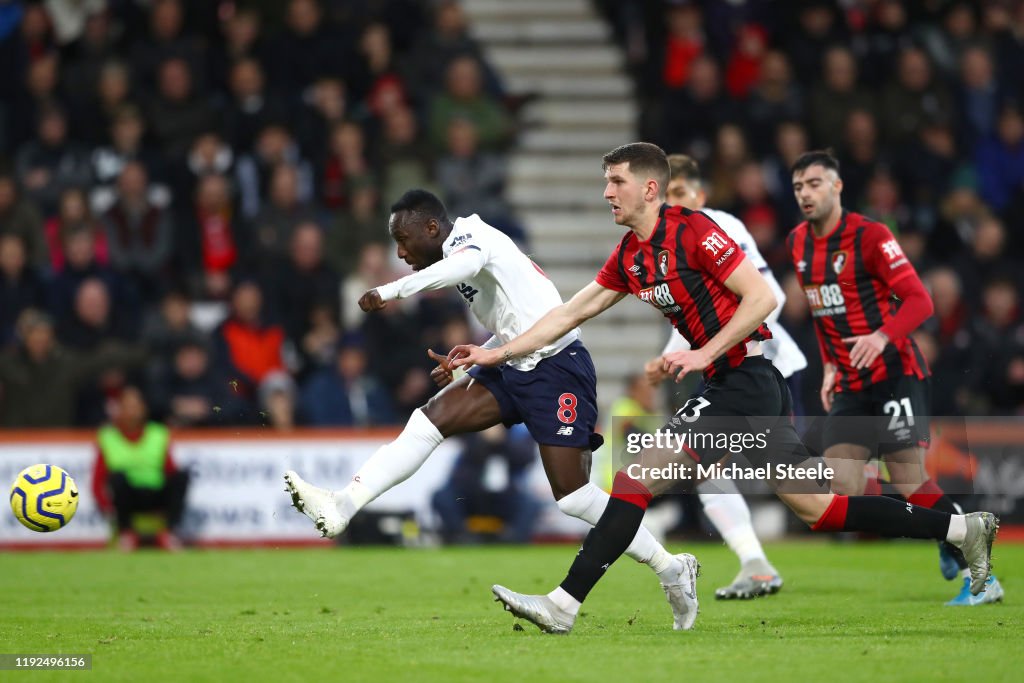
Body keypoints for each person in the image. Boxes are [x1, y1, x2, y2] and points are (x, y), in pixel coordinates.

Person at [448, 143, 998, 634]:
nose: (606, 192)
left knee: (636, 477)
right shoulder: (630, 256)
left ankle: (565, 604)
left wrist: (704, 352)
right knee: (818, 508)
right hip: (744, 385)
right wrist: (495, 352)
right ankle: (959, 528)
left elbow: (761, 297)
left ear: (649, 188)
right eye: (605, 181)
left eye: (615, 181)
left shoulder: (693, 230)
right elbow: (569, 313)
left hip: (745, 381)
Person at [283, 189, 695, 622]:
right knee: (428, 421)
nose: (400, 251)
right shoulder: (465, 244)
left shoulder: (469, 238)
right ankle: (342, 505)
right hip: (512, 360)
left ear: (432, 228)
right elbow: (520, 312)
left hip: (557, 366)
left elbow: (462, 266)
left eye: (404, 240)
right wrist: (482, 349)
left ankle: (671, 567)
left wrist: (391, 290)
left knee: (574, 498)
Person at [786, 149, 1003, 606]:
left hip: (894, 373)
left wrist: (882, 337)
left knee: (909, 480)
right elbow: (827, 315)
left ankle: (981, 575)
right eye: (799, 186)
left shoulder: (870, 235)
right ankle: (945, 533)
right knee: (842, 487)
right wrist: (828, 363)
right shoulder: (798, 243)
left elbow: (920, 301)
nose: (806, 193)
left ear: (837, 186)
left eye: (814, 184)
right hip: (849, 380)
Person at [641, 153, 809, 600]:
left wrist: (684, 355)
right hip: (729, 370)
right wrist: (670, 356)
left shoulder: (718, 225)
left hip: (760, 366)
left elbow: (762, 296)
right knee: (716, 472)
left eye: (680, 193)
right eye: (666, 194)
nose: (672, 203)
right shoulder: (670, 240)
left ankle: (938, 523)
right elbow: (695, 316)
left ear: (700, 194)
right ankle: (755, 563)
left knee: (809, 492)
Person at [91, 385, 190, 551]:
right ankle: (126, 533)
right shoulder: (108, 437)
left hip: (155, 493)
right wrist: (108, 510)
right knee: (117, 478)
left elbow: (170, 470)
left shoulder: (158, 434)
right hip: (128, 498)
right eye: (127, 407)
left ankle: (169, 532)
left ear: (144, 409)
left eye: (136, 406)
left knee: (181, 476)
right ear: (119, 409)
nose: (132, 412)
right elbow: (98, 481)